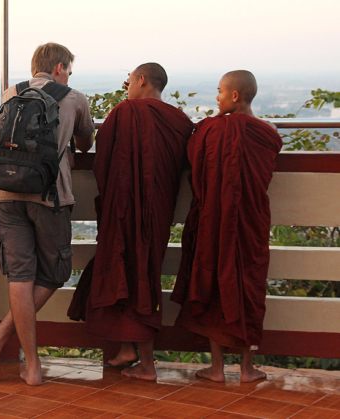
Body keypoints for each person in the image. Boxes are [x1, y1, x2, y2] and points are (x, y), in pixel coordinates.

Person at [0, 42, 95, 386]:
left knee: (20, 277)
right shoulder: (73, 97)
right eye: (68, 69)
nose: (69, 74)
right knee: (57, 272)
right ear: (59, 67)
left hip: (4, 192)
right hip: (49, 195)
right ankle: (1, 344)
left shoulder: (10, 92)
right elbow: (86, 143)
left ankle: (24, 361)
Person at [68, 63, 194, 381]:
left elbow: (104, 163)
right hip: (157, 214)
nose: (127, 89)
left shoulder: (124, 114)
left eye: (128, 82)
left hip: (122, 210)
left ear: (140, 80)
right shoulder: (178, 120)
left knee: (133, 274)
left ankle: (148, 366)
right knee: (136, 272)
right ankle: (127, 349)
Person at [171, 70, 283, 383]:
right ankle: (247, 368)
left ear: (234, 96)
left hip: (212, 221)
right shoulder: (267, 133)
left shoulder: (207, 130)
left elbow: (193, 160)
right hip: (251, 223)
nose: (217, 98)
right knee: (248, 285)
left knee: (212, 283)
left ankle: (217, 368)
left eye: (220, 92)